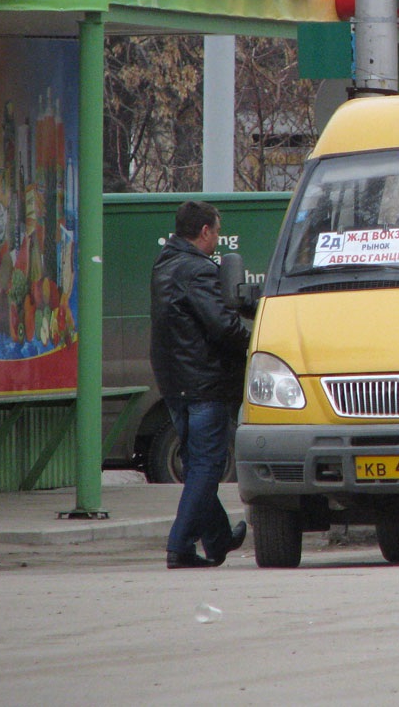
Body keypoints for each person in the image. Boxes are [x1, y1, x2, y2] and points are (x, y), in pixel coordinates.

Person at [150, 200, 250, 569]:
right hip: (204, 383)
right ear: (205, 231)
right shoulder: (196, 270)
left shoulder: (165, 264)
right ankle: (180, 546)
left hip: (175, 381)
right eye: (217, 231)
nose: (218, 239)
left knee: (197, 465)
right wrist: (256, 341)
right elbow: (222, 324)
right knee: (207, 465)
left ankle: (218, 537)